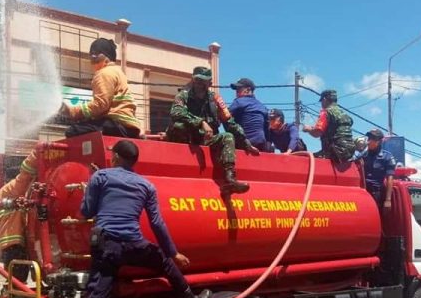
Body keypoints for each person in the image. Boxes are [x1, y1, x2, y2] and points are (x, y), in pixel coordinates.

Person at [59, 140, 211, 298]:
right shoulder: (146, 185)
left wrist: (92, 195)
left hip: (106, 247)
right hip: (133, 244)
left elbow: (86, 212)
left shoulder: (101, 177)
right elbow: (157, 224)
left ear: (117, 157)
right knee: (163, 262)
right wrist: (174, 253)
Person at [165, 66, 260, 194]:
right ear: (193, 80)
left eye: (203, 82)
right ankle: (178, 167)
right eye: (197, 80)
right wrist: (201, 122)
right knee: (178, 126)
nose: (199, 85)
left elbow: (229, 121)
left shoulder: (215, 99)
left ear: (209, 83)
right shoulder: (183, 95)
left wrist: (245, 141)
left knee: (227, 136)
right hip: (186, 141)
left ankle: (230, 179)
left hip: (204, 140)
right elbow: (176, 112)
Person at [60, 38, 142, 139]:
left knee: (73, 131)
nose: (92, 58)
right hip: (126, 127)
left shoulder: (104, 73)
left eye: (95, 54)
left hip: (116, 124)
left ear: (106, 57)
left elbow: (101, 104)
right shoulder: (117, 72)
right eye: (91, 55)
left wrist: (73, 112)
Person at [0, 149, 38, 282]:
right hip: (14, 242)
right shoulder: (13, 188)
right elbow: (26, 173)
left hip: (9, 243)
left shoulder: (2, 192)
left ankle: (11, 293)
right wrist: (37, 152)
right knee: (17, 280)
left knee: (15, 279)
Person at [302, 89, 355, 164]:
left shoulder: (326, 112)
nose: (321, 104)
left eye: (321, 101)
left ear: (324, 99)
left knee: (305, 161)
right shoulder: (345, 115)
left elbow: (317, 133)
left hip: (335, 152)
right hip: (349, 152)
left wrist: (308, 129)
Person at [354, 129, 396, 208]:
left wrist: (388, 200)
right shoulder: (362, 154)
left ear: (379, 141)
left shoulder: (387, 157)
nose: (369, 141)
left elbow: (390, 179)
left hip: (376, 194)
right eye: (368, 138)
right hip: (361, 191)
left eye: (372, 139)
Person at [228, 78, 271, 151]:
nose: (236, 92)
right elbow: (267, 130)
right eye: (236, 90)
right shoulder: (262, 107)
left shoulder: (239, 102)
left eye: (239, 89)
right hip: (261, 144)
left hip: (244, 144)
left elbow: (225, 115)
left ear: (248, 90)